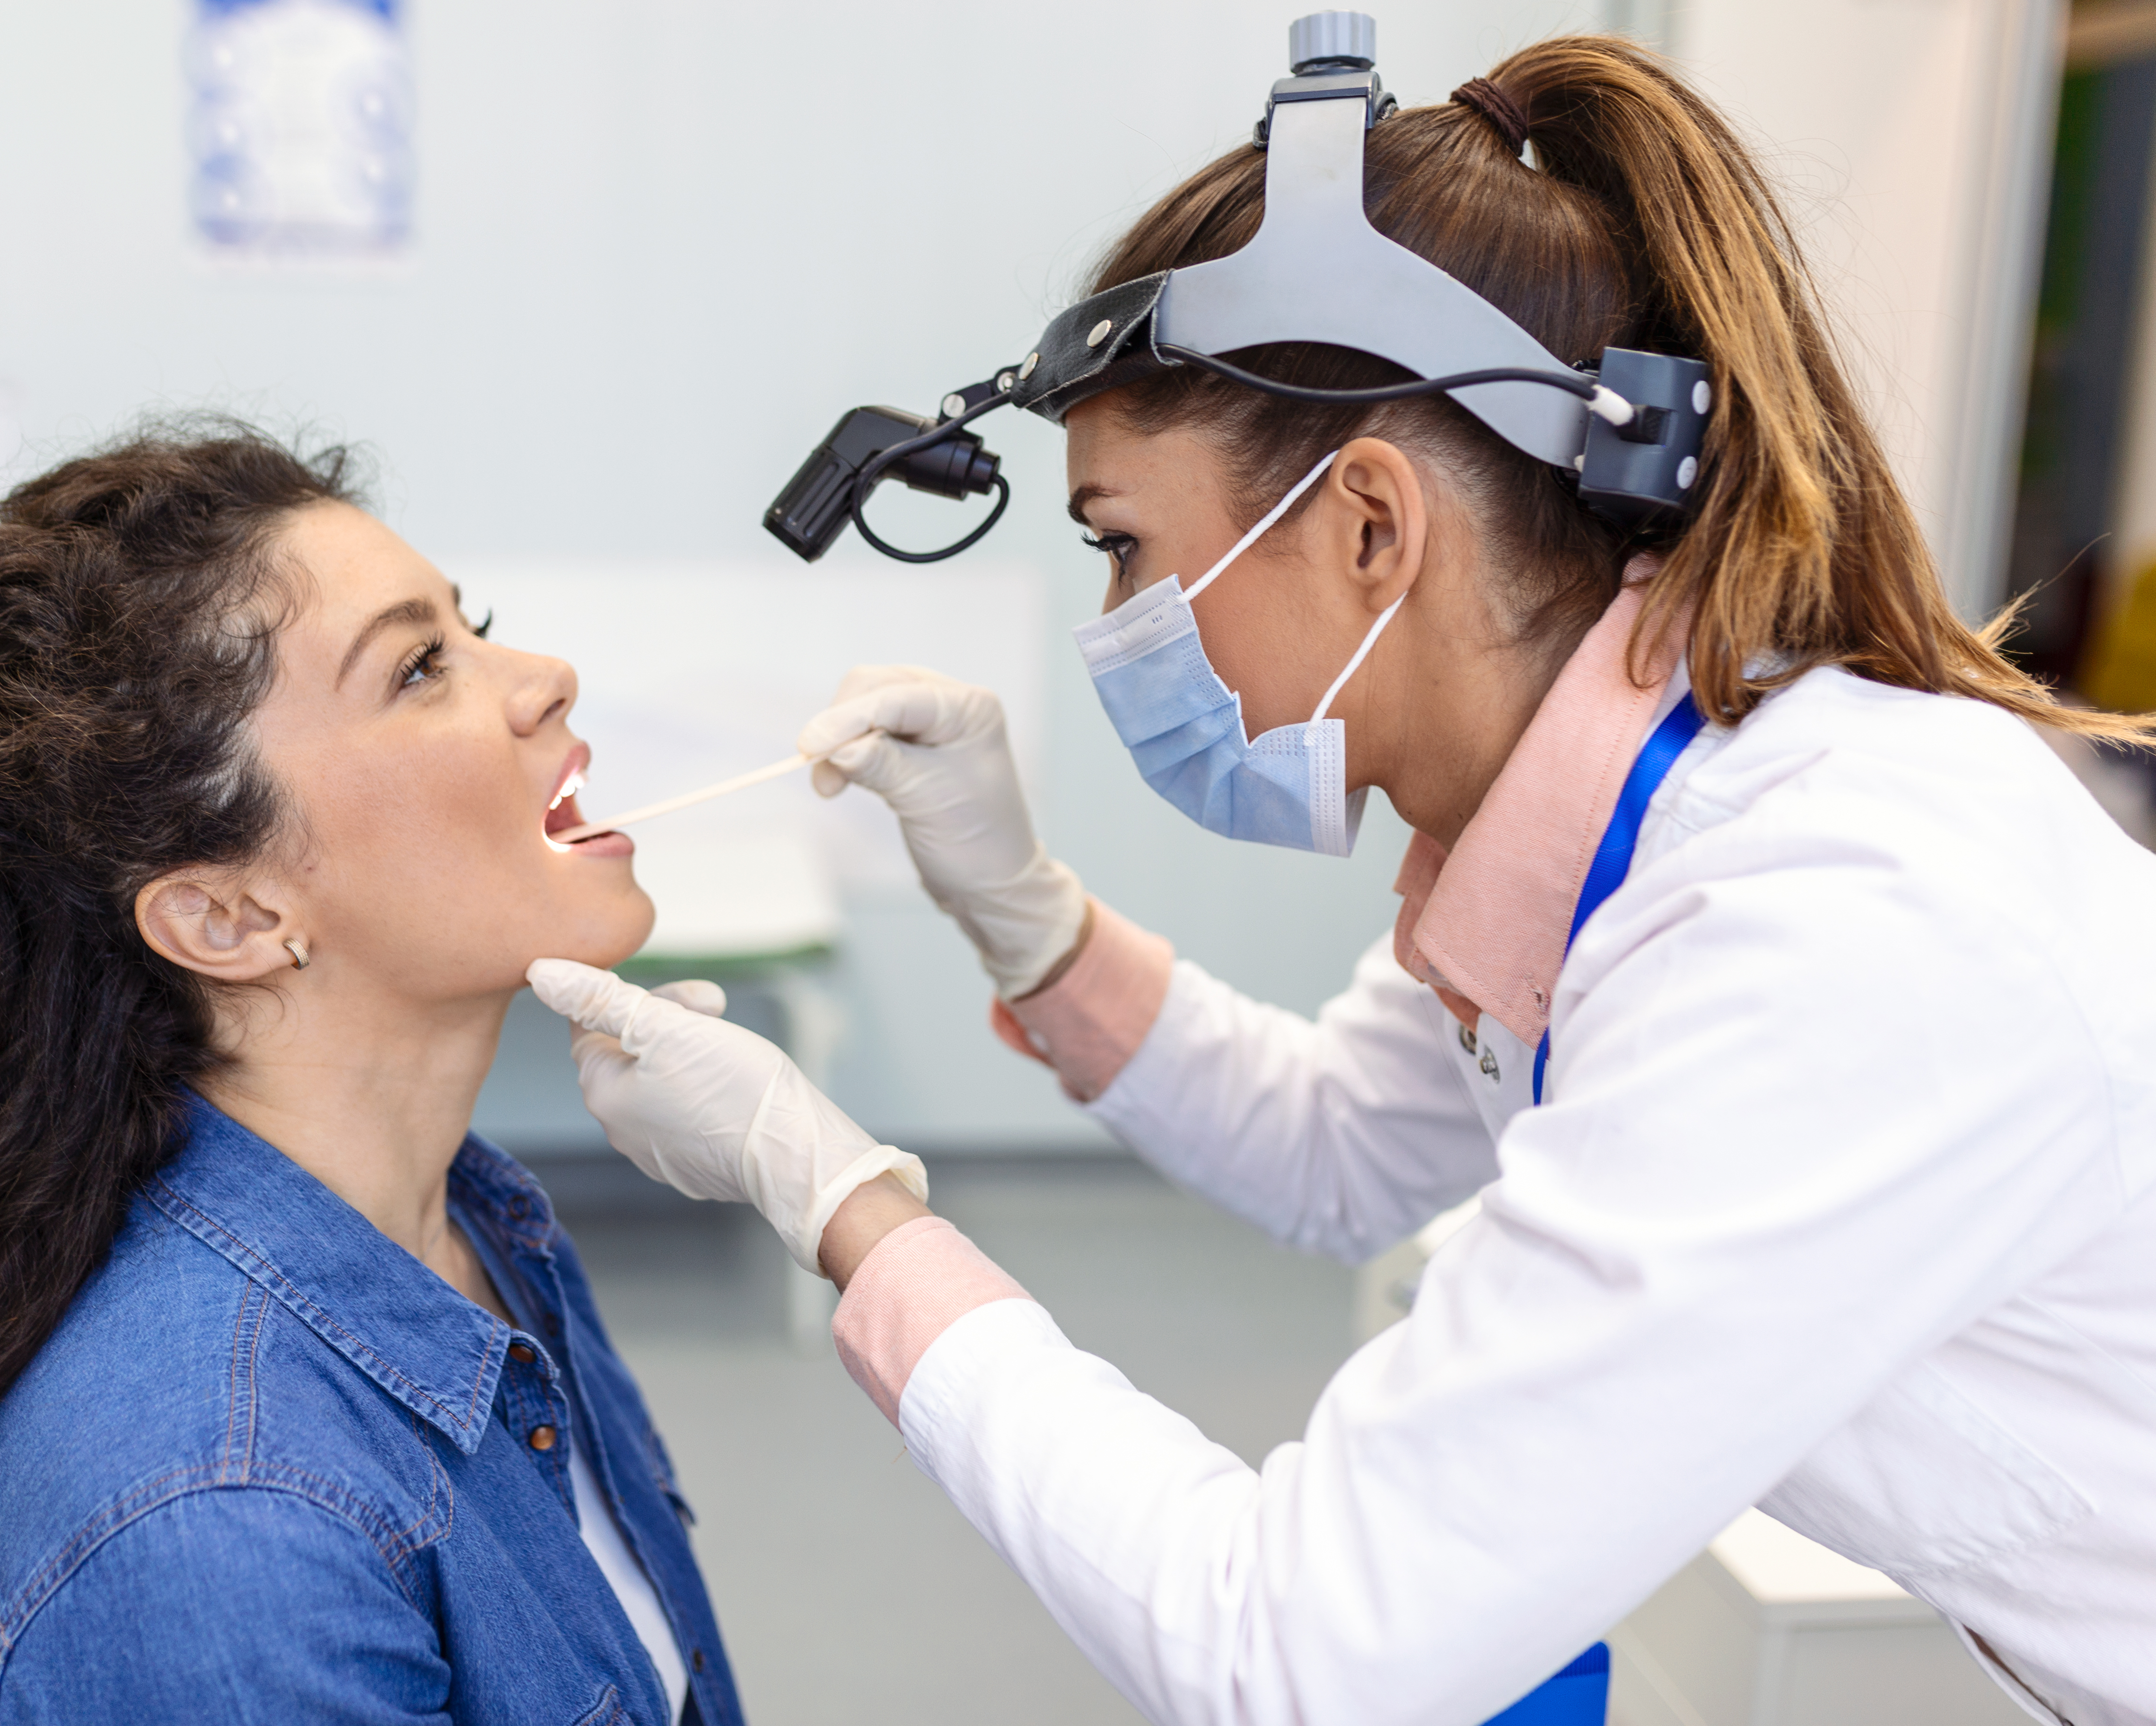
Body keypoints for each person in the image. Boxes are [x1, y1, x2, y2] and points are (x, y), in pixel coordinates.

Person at [526, 36, 2156, 1726]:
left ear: (1372, 525)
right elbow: (1341, 1143)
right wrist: (1020, 909)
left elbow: (1295, 1652)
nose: (1116, 630)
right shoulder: (1601, 816)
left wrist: (840, 1201)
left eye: (1125, 548)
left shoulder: (1820, 926)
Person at [0, 424, 787, 1725]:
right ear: (228, 918)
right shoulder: (223, 1526)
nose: (547, 677)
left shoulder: (475, 1226)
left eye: (473, 626)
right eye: (418, 668)